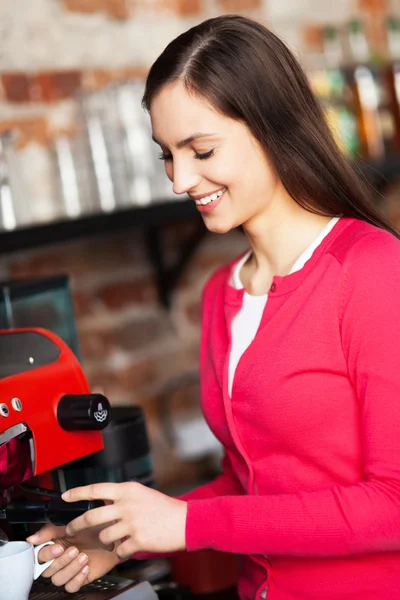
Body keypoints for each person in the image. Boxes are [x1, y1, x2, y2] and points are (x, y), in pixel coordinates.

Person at [28, 14, 400, 600]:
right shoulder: (222, 293)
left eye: (200, 150)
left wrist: (188, 524)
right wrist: (114, 536)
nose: (180, 180)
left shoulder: (372, 270)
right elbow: (245, 483)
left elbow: (393, 507)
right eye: (166, 155)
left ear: (272, 127)